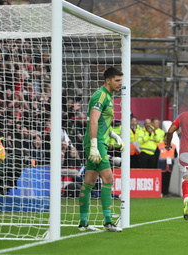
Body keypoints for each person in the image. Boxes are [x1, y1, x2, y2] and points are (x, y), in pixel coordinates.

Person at [79, 67, 125, 232]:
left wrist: (115, 136)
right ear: (108, 80)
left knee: (89, 182)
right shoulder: (100, 95)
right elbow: (93, 121)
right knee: (109, 179)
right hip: (96, 142)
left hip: (101, 141)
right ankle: (107, 221)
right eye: (117, 80)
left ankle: (83, 222)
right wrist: (93, 145)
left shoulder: (110, 97)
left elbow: (103, 124)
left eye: (120, 80)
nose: (120, 83)